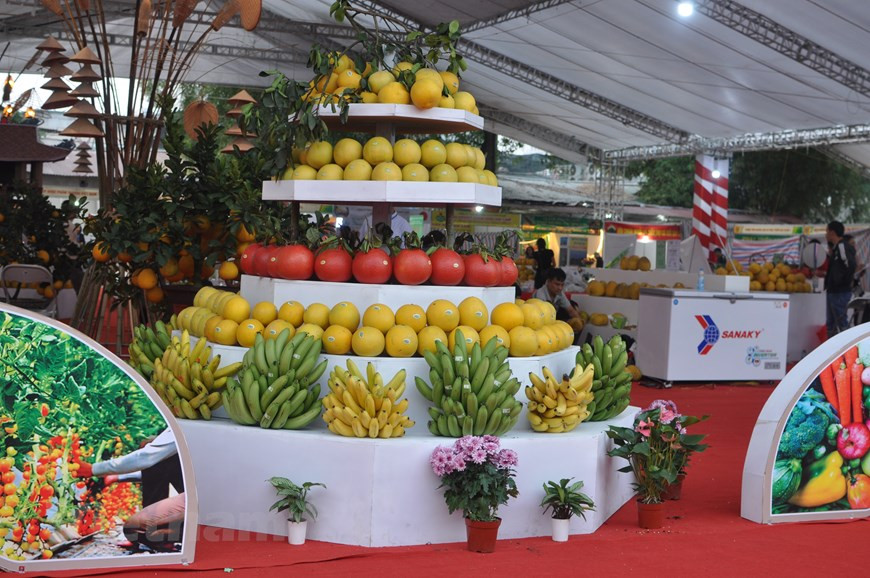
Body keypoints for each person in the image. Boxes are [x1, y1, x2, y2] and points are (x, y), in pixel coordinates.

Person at [75, 428, 185, 550]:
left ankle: (165, 535)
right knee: (152, 447)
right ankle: (159, 532)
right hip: (192, 493)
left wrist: (93, 469)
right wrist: (117, 477)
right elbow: (151, 461)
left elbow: (146, 457)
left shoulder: (183, 428)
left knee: (135, 528)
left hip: (199, 506)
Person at [824, 221, 856, 336]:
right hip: (833, 291)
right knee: (831, 324)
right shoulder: (836, 248)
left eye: (827, 231)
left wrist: (842, 282)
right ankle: (832, 346)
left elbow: (851, 265)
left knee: (842, 323)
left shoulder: (842, 246)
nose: (825, 234)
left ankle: (847, 346)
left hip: (840, 292)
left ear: (832, 232)